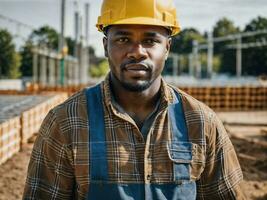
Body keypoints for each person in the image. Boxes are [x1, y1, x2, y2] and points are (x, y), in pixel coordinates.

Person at [23, 0, 245, 199]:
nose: (137, 51)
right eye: (123, 38)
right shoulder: (66, 122)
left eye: (150, 40)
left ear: (167, 48)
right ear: (105, 46)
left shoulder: (201, 122)